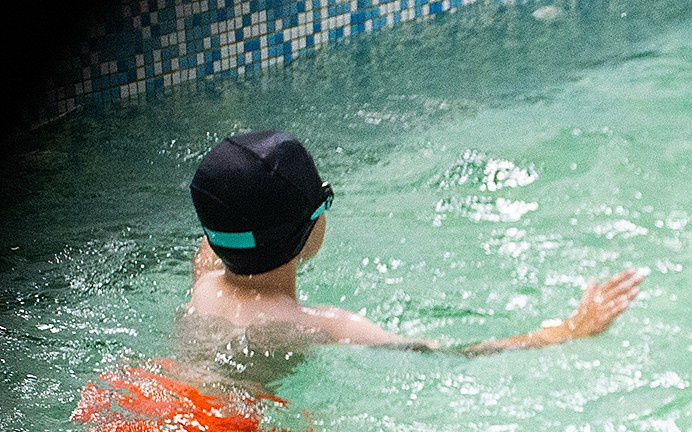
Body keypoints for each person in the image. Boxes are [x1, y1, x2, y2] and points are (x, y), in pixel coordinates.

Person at [180, 129, 641, 357]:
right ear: (309, 229)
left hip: (158, 397)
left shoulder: (206, 276)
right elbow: (450, 355)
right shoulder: (326, 326)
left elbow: (229, 216)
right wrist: (570, 329)